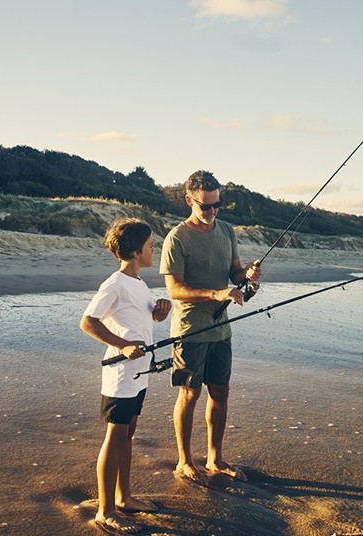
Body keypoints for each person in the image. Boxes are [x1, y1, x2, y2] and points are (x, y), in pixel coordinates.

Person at [160, 170, 262, 487]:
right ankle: (185, 461)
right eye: (205, 206)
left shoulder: (227, 231)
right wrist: (214, 294)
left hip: (221, 329)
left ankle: (215, 459)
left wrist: (248, 276)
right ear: (189, 200)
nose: (211, 212)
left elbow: (234, 274)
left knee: (220, 393)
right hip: (190, 329)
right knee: (189, 395)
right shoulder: (176, 238)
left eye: (216, 205)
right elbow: (174, 289)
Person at [80, 218, 172, 533]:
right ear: (135, 252)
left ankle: (124, 497)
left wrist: (161, 310)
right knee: (116, 437)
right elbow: (88, 322)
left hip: (139, 372)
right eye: (150, 246)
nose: (153, 250)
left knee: (128, 434)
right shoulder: (115, 283)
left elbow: (147, 318)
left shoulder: (139, 284)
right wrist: (123, 346)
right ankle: (105, 511)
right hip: (120, 373)